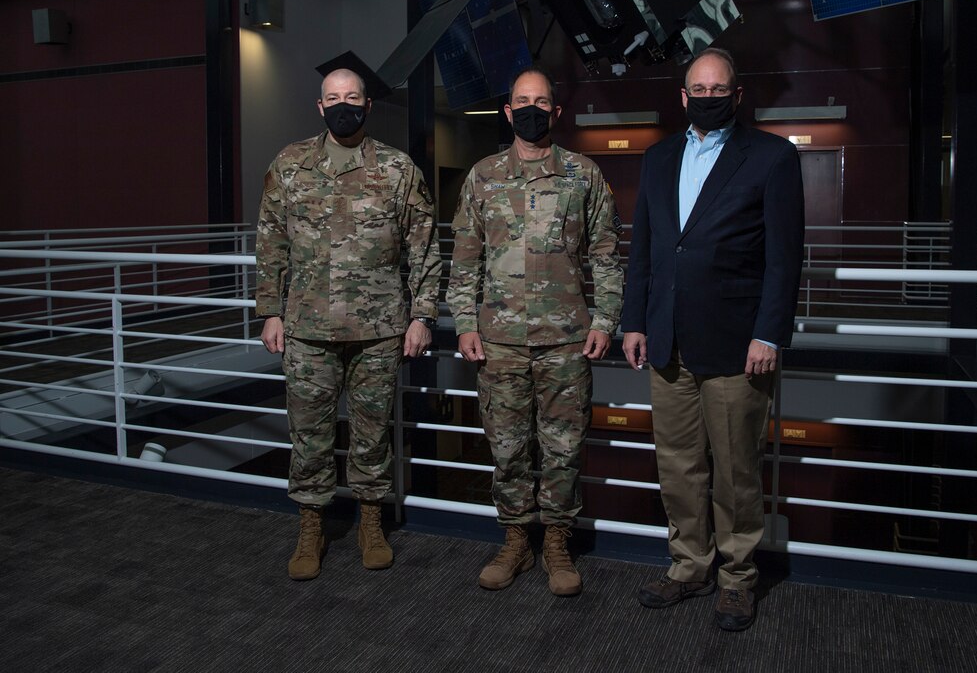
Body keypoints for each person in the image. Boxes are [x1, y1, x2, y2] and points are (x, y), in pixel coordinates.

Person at [621, 48, 804, 630]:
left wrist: (769, 334)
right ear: (682, 96)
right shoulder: (657, 157)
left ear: (737, 93)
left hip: (736, 345)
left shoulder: (772, 157)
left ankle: (737, 577)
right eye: (697, 88)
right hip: (667, 341)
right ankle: (688, 565)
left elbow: (784, 259)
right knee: (677, 467)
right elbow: (645, 251)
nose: (707, 96)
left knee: (736, 471)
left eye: (718, 87)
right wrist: (634, 321)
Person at [256, 67, 442, 581]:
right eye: (333, 98)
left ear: (367, 105)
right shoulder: (290, 165)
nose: (343, 105)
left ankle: (370, 522)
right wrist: (270, 309)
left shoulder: (398, 169)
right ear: (320, 107)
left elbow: (423, 249)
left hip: (379, 329)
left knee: (372, 435)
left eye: (352, 97)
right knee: (309, 435)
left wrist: (423, 315)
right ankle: (311, 527)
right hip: (307, 328)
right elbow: (270, 241)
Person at [446, 65, 623, 596]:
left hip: (566, 339)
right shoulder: (482, 176)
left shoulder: (583, 175)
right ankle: (516, 539)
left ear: (555, 111)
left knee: (564, 447)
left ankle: (557, 542)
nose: (531, 109)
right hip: (497, 340)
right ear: (507, 111)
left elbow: (607, 254)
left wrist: (606, 318)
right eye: (522, 100)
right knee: (506, 447)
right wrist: (462, 322)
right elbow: (464, 260)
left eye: (541, 101)